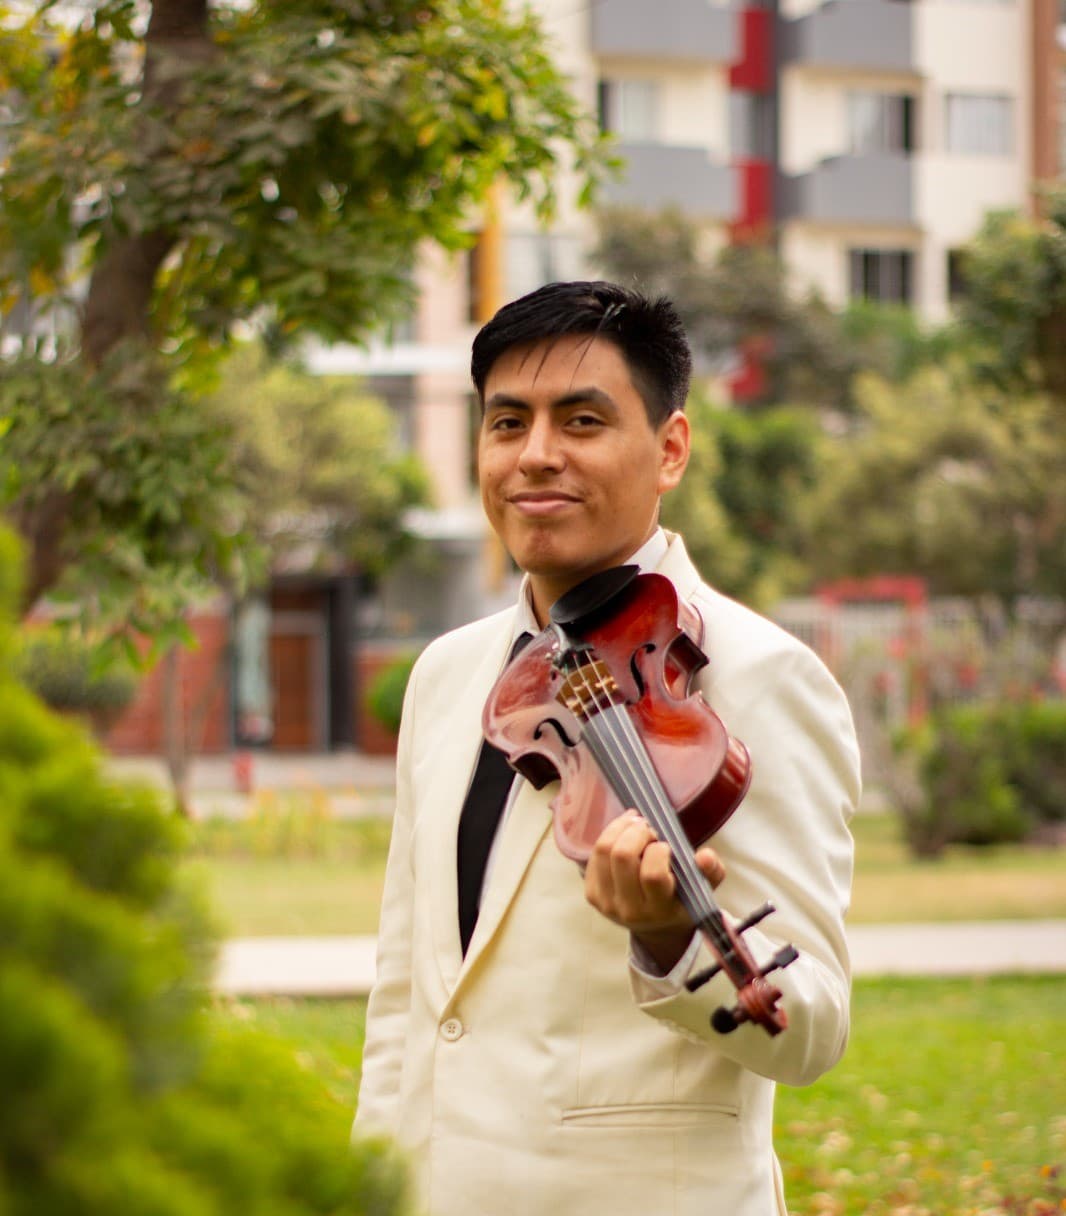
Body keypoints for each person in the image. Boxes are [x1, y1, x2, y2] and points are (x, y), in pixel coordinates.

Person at [354, 281, 861, 1216]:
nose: (536, 456)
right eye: (508, 424)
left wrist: (672, 941)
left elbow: (811, 1026)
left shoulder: (759, 677)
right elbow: (408, 996)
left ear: (670, 449)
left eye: (581, 421)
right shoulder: (446, 675)